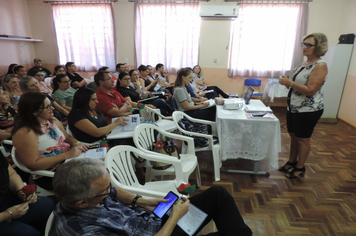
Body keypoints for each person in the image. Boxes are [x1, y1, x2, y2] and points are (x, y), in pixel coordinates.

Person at [49, 158, 252, 236]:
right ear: (82, 202)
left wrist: (142, 201)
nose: (110, 190)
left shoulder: (88, 194)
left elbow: (115, 192)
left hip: (150, 219)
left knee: (218, 194)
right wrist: (174, 217)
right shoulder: (84, 231)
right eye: (105, 190)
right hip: (161, 232)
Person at [12, 92, 88, 190]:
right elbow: (33, 164)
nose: (52, 108)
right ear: (33, 111)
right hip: (50, 175)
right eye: (47, 107)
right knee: (94, 179)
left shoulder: (52, 121)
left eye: (51, 105)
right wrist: (66, 155)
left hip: (69, 162)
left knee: (101, 168)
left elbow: (68, 137)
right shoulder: (26, 133)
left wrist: (76, 144)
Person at [278, 33, 328, 178]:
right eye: (303, 43)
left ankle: (300, 167)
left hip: (308, 110)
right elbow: (296, 88)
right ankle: (291, 162)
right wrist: (288, 83)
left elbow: (311, 91)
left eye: (308, 45)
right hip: (294, 107)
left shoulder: (320, 66)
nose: (304, 47)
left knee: (303, 139)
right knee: (293, 136)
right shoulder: (302, 64)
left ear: (318, 47)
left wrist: (290, 83)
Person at [0, 151, 55, 236]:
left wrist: (20, 191)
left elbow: (10, 174)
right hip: (3, 215)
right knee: (28, 233)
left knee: (47, 205)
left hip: (5, 199)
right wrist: (7, 215)